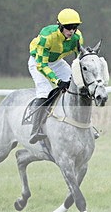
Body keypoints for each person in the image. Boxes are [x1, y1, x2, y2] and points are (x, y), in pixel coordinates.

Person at [27, 8, 83, 143]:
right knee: (45, 92)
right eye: (68, 27)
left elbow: (78, 61)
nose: (72, 31)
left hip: (57, 62)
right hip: (38, 62)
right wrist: (57, 81)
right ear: (60, 26)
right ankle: (35, 129)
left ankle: (85, 125)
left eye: (75, 27)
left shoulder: (77, 37)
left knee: (78, 85)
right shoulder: (47, 36)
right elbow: (42, 65)